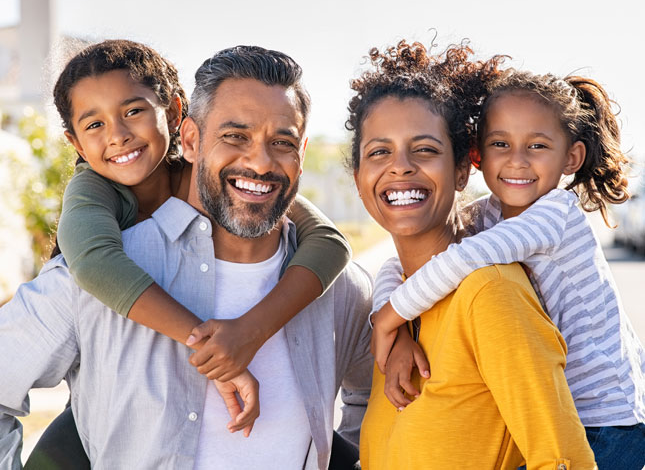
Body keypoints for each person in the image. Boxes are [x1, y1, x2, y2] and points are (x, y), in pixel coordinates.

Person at [0, 45, 373, 469]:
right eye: (235, 136)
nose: (259, 161)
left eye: (282, 142)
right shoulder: (84, 279)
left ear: (302, 153)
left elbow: (376, 400)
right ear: (192, 139)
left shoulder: (340, 288)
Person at [370, 66, 645, 468]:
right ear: (479, 155)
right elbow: (398, 265)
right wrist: (394, 330)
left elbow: (460, 260)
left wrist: (388, 317)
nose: (517, 161)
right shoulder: (488, 216)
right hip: (564, 411)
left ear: (571, 157)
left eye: (536, 146)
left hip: (606, 423)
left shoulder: (556, 215)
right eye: (501, 143)